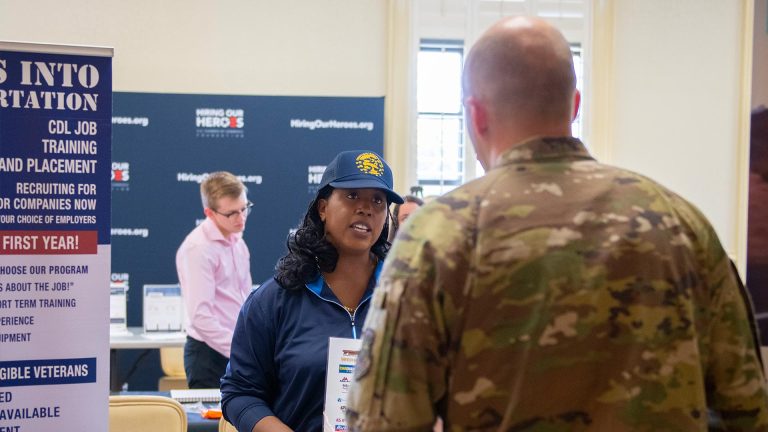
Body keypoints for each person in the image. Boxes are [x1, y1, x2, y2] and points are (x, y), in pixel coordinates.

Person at [347, 16, 768, 431]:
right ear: (575, 104)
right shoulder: (682, 224)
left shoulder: (437, 236)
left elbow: (383, 422)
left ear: (475, 116)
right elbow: (747, 409)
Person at [221, 150, 403, 431]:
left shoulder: (408, 298)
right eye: (352, 195)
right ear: (322, 208)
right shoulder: (274, 301)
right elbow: (240, 393)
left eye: (378, 200)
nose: (366, 208)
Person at [176, 171, 253, 389]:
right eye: (231, 214)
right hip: (209, 356)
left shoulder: (238, 242)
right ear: (209, 213)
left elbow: (244, 299)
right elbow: (201, 317)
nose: (241, 218)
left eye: (244, 208)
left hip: (237, 350)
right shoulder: (198, 249)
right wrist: (239, 351)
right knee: (210, 424)